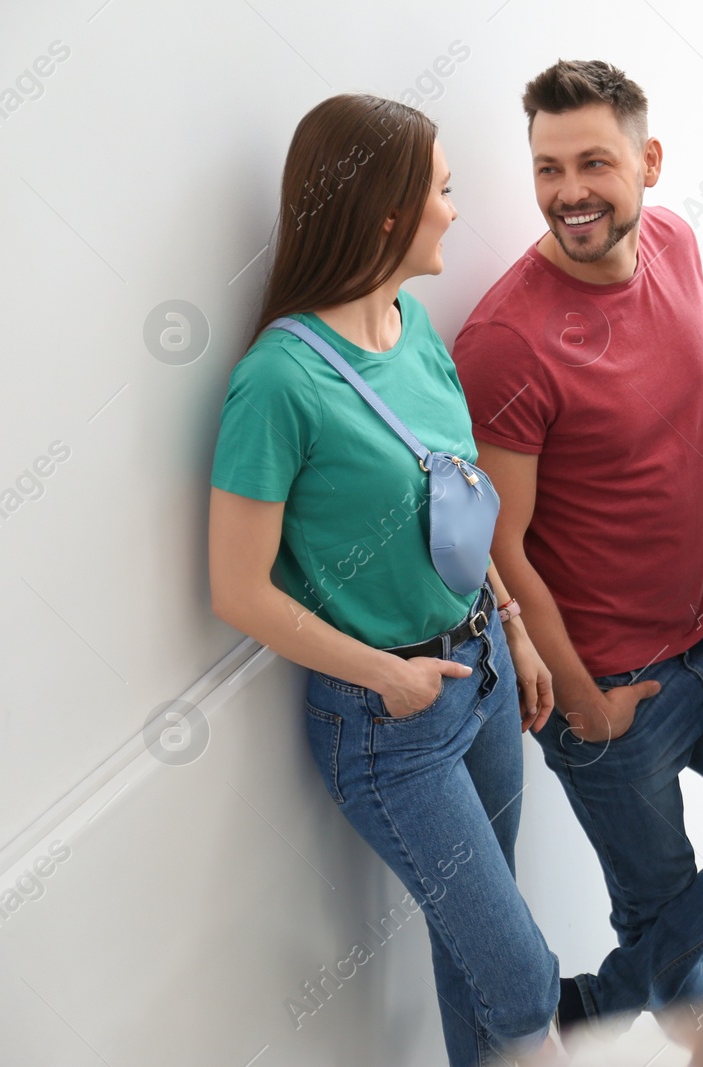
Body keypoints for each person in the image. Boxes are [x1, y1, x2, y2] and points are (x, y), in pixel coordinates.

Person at [451, 59, 703, 1028]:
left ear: (650, 162)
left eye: (594, 161)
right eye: (548, 168)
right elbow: (500, 549)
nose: (569, 192)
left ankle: (601, 999)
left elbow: (693, 433)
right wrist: (580, 698)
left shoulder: (675, 242)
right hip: (607, 681)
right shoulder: (508, 340)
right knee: (658, 901)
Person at [208, 94, 561, 1065]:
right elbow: (239, 590)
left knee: (475, 958)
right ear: (387, 213)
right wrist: (386, 675)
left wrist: (515, 627)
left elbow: (463, 491)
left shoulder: (413, 329)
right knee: (525, 976)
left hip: (482, 671)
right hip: (389, 720)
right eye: (442, 191)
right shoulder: (277, 382)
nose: (456, 208)